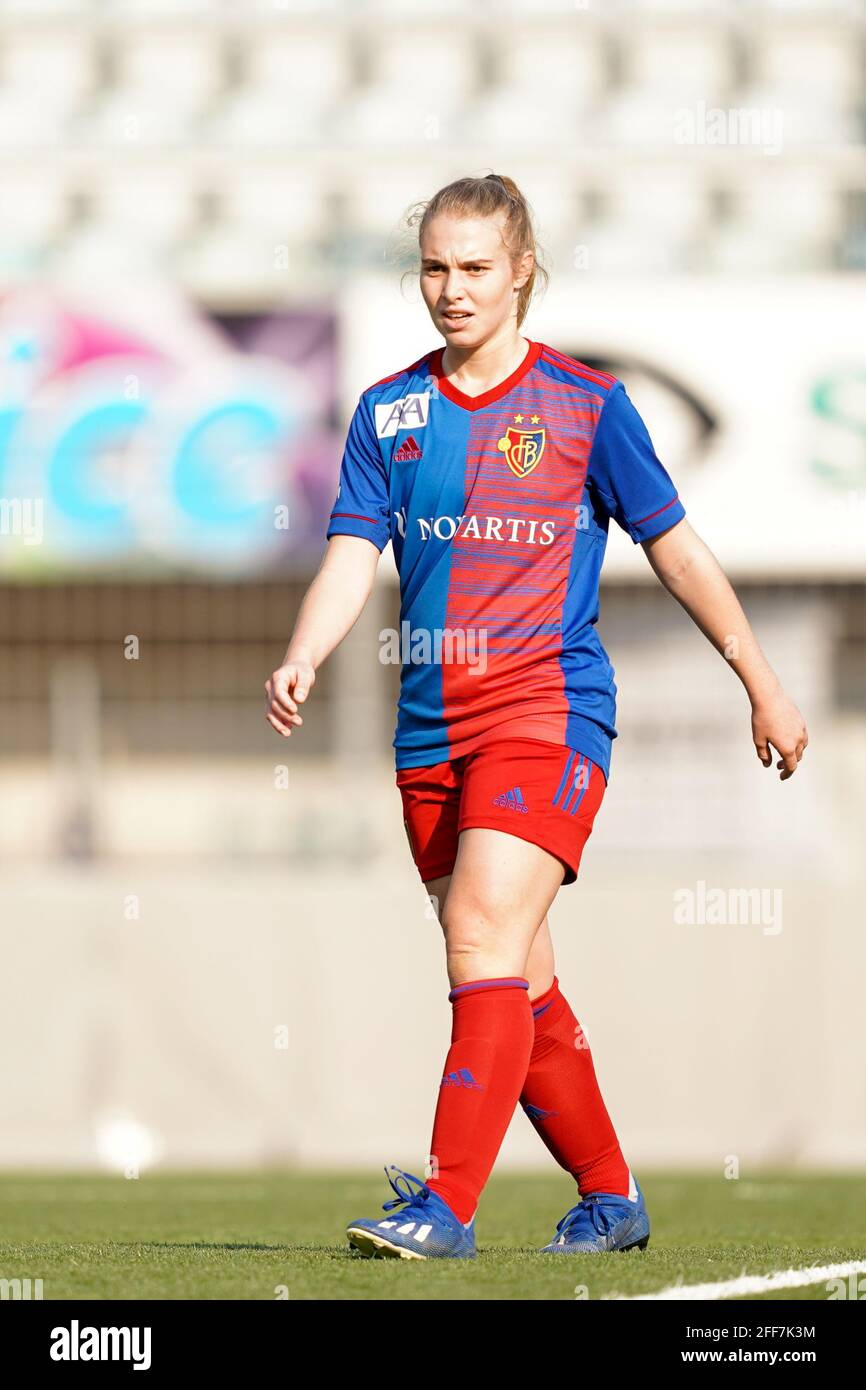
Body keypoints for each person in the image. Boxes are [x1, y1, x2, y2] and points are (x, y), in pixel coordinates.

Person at [264, 173, 808, 1260]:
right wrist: (302, 651)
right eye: (432, 266)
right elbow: (347, 557)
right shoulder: (388, 410)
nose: (450, 290)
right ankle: (610, 1197)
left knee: (477, 935)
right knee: (519, 975)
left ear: (521, 271)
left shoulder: (587, 407)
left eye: (472, 267)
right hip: (427, 734)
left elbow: (678, 550)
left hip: (545, 714)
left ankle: (445, 1204)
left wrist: (760, 680)